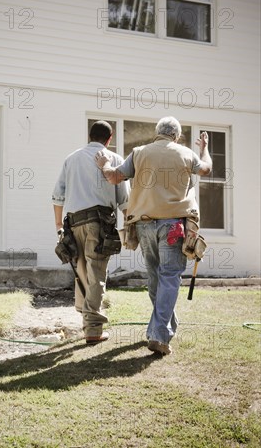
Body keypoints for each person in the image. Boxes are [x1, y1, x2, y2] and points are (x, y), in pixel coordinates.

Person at [95, 116, 212, 355]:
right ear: (176, 136)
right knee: (169, 277)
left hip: (144, 226)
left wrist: (104, 164)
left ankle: (161, 329)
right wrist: (205, 150)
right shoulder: (186, 153)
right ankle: (160, 335)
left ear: (156, 133)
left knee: (156, 278)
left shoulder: (139, 152)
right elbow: (207, 169)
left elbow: (114, 177)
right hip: (173, 227)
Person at [52, 121, 130, 344]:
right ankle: (93, 330)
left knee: (82, 272)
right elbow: (124, 200)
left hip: (74, 223)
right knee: (96, 274)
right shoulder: (113, 159)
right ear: (110, 137)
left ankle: (87, 321)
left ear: (90, 135)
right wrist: (130, 225)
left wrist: (58, 226)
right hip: (100, 223)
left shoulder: (71, 158)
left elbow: (57, 195)